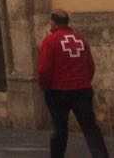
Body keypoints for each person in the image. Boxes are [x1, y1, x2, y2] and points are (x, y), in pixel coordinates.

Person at [36, 10, 109, 158]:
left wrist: (45, 86)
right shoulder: (80, 39)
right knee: (90, 128)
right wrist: (84, 82)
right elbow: (90, 66)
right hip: (82, 91)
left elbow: (44, 69)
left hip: (58, 92)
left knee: (60, 130)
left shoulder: (50, 41)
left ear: (53, 22)